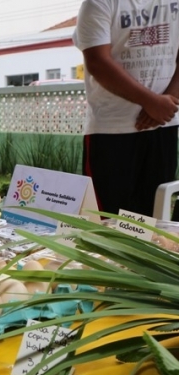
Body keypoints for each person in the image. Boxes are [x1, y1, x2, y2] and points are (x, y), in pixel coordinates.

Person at [73, 0, 179, 216]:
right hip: (111, 130)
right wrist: (151, 102)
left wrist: (169, 101)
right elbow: (97, 62)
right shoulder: (99, 3)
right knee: (109, 222)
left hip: (164, 126)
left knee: (155, 219)